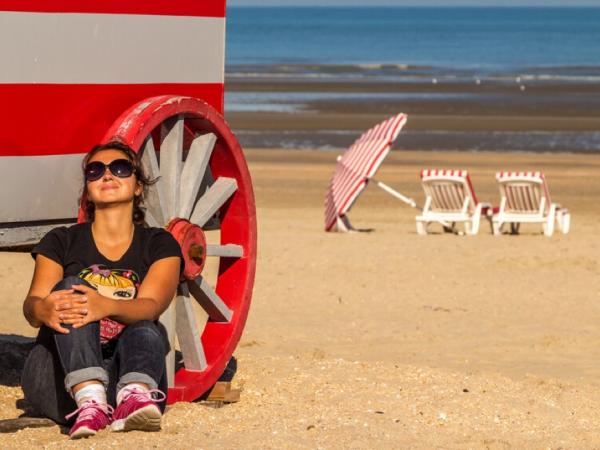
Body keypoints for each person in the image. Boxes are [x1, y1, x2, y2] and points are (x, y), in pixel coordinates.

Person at [21, 141, 183, 439]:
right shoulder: (61, 240)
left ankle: (132, 397)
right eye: (96, 171)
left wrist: (106, 305)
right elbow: (33, 305)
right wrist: (41, 309)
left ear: (137, 186)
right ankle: (89, 396)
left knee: (147, 327)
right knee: (71, 287)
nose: (107, 176)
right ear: (88, 190)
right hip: (59, 381)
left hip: (132, 375)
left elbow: (151, 305)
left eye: (120, 168)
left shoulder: (159, 244)